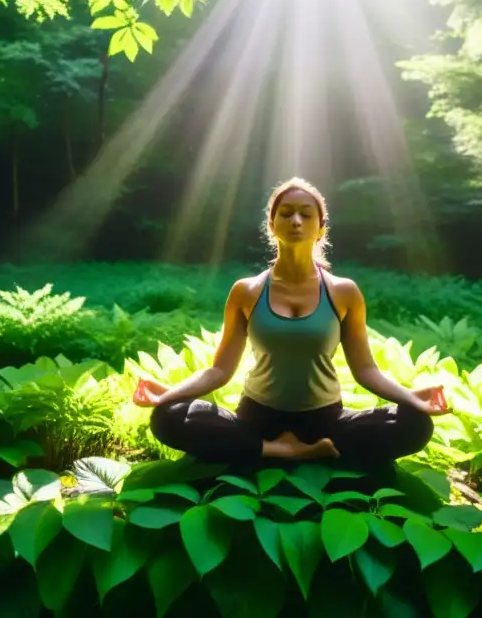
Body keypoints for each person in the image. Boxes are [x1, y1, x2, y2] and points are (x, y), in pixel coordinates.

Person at [132, 177, 449, 468]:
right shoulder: (246, 291)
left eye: (306, 214)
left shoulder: (343, 292)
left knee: (417, 424)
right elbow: (219, 370)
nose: (296, 221)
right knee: (167, 417)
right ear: (271, 225)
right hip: (257, 418)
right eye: (286, 213)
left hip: (325, 422)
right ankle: (277, 449)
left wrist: (412, 397)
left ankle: (261, 451)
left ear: (321, 228)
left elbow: (366, 371)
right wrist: (169, 394)